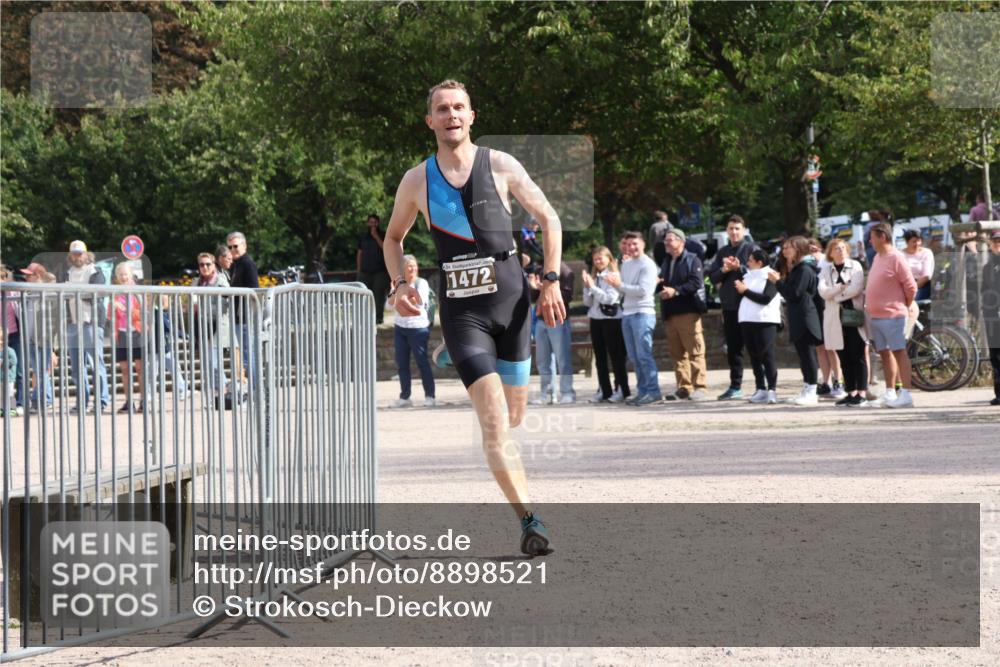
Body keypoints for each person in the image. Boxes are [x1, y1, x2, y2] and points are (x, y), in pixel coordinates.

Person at [383, 79, 565, 555]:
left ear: (472, 115)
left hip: (513, 307)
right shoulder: (417, 179)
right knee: (494, 422)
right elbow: (392, 239)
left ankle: (464, 365)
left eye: (458, 107)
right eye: (442, 109)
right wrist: (400, 284)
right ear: (430, 121)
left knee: (515, 414)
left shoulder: (500, 165)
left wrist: (550, 279)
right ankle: (530, 520)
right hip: (464, 315)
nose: (451, 115)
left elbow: (550, 218)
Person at [864, 222, 917, 408]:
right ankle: (889, 392)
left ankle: (906, 394)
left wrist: (905, 305)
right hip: (877, 316)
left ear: (882, 237)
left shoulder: (897, 257)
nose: (869, 240)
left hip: (893, 315)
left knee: (899, 352)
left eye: (872, 237)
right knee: (884, 354)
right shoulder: (878, 257)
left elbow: (911, 287)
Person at [605, 231, 662, 405]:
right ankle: (643, 391)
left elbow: (644, 291)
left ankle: (654, 392)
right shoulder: (627, 265)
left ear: (643, 244)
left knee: (644, 355)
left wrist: (619, 285)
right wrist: (613, 285)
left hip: (643, 313)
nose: (631, 247)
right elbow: (624, 290)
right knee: (634, 357)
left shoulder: (648, 265)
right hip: (627, 314)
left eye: (635, 244)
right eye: (628, 244)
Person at [707, 215, 758, 400]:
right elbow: (712, 277)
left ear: (744, 230)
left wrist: (740, 268)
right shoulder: (723, 252)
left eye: (737, 228)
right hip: (729, 306)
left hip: (750, 304)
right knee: (734, 348)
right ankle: (735, 386)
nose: (734, 232)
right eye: (731, 228)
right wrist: (725, 270)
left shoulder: (752, 248)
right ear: (727, 231)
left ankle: (762, 386)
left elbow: (760, 273)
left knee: (755, 347)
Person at [658, 229, 709, 401]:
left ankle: (700, 387)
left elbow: (696, 282)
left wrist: (676, 291)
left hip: (688, 312)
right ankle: (684, 387)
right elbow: (663, 282)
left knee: (695, 351)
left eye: (670, 239)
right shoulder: (666, 261)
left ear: (681, 242)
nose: (666, 243)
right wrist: (660, 286)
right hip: (670, 314)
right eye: (665, 240)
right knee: (677, 354)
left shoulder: (692, 259)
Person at [818, 239, 869, 407]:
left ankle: (861, 393)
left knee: (858, 355)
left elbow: (856, 289)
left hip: (853, 316)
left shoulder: (855, 266)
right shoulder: (825, 270)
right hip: (835, 318)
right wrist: (840, 287)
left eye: (843, 248)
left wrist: (836, 295)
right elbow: (823, 292)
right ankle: (850, 392)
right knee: (843, 356)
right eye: (836, 248)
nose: (840, 251)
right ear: (830, 252)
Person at [62, 240, 111, 414]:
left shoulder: (95, 271)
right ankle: (82, 402)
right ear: (70, 255)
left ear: (86, 253)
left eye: (80, 253)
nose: (77, 256)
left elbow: (95, 295)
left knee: (96, 364)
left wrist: (74, 291)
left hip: (91, 322)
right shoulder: (67, 273)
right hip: (73, 323)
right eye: (74, 253)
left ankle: (102, 401)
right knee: (76, 366)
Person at [773, 236, 823, 406]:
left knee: (808, 355)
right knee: (802, 355)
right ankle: (807, 386)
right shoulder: (796, 268)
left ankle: (812, 391)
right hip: (798, 316)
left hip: (806, 316)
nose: (785, 250)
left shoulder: (804, 269)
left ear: (799, 249)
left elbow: (794, 293)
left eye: (789, 247)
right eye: (784, 247)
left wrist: (778, 282)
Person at [581, 246, 629, 403]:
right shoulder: (595, 277)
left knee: (616, 357)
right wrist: (587, 287)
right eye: (595, 259)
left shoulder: (613, 276)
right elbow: (587, 302)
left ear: (609, 258)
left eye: (601, 258)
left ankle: (621, 388)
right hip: (596, 319)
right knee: (600, 357)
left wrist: (593, 287)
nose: (598, 261)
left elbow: (610, 299)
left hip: (612, 320)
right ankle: (604, 389)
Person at [387, 255, 436, 408]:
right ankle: (405, 397)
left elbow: (418, 301)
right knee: (402, 363)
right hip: (400, 328)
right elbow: (388, 306)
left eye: (415, 266)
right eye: (409, 266)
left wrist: (400, 298)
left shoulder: (422, 283)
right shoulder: (398, 284)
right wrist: (396, 292)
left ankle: (430, 396)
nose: (413, 269)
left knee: (422, 362)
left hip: (418, 328)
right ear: (403, 268)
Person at [734, 248, 782, 404]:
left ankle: (772, 390)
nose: (747, 263)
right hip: (747, 319)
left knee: (767, 355)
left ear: (759, 263)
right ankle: (760, 388)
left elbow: (765, 298)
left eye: (750, 260)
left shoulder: (771, 276)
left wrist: (745, 291)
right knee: (754, 356)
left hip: (765, 320)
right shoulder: (747, 276)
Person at [528, 261, 575, 405]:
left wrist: (545, 289)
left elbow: (567, 297)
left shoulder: (565, 270)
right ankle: (547, 394)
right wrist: (533, 287)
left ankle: (567, 393)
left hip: (558, 320)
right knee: (542, 360)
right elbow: (533, 298)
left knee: (563, 359)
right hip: (541, 321)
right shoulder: (540, 269)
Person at [805, 237, 844, 399]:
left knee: (832, 347)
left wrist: (818, 259)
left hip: (829, 308)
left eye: (814, 248)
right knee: (820, 347)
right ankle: (826, 382)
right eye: (808, 249)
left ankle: (839, 381)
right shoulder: (805, 265)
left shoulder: (827, 263)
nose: (811, 251)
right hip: (815, 309)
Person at [20, 262, 57, 412]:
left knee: (42, 370)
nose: (26, 278)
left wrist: (54, 348)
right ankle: (43, 399)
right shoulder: (29, 293)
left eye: (29, 275)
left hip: (43, 338)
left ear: (38, 276)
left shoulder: (48, 294)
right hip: (30, 337)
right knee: (38, 370)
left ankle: (42, 399)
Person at [194, 252, 231, 398]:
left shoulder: (221, 281)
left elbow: (225, 304)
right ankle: (220, 391)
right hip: (202, 326)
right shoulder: (197, 282)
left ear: (214, 265)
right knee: (207, 363)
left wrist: (204, 307)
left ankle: (224, 391)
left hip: (217, 326)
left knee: (214, 362)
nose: (204, 267)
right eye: (201, 264)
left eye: (208, 264)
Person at [110, 262, 145, 413]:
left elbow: (144, 313)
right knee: (124, 369)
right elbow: (111, 315)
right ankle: (128, 401)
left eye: (125, 274)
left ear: (130, 274)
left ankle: (143, 400)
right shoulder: (116, 292)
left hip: (137, 332)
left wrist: (127, 310)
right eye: (120, 275)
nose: (123, 277)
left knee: (140, 368)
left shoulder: (139, 291)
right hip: (122, 333)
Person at [227, 231, 258, 387]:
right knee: (246, 354)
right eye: (230, 247)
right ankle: (254, 389)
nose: (233, 249)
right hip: (238, 317)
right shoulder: (235, 265)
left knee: (248, 354)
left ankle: (255, 389)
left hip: (246, 317)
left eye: (236, 246)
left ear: (244, 246)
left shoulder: (248, 264)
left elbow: (254, 290)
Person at [357, 214, 391, 326]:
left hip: (380, 272)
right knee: (363, 296)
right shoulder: (363, 236)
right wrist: (359, 269)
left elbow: (386, 249)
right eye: (371, 222)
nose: (373, 224)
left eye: (375, 222)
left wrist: (376, 236)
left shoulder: (383, 235)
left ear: (378, 223)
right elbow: (359, 253)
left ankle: (378, 319)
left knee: (379, 297)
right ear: (367, 223)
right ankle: (364, 318)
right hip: (365, 272)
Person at [980, 229, 1000, 406]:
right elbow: (984, 291)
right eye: (995, 242)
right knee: (995, 355)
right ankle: (998, 393)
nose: (997, 245)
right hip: (992, 316)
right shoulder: (988, 267)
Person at [1, 265, 24, 412]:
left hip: (14, 333)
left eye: (3, 277)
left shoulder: (13, 293)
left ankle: (20, 402)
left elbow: (20, 314)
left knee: (19, 368)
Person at [902, 229, 935, 301]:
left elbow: (926, 276)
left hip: (921, 284)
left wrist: (912, 288)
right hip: (904, 285)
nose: (917, 244)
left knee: (913, 302)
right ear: (907, 242)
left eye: (919, 241)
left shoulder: (926, 253)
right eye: (914, 241)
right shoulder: (900, 254)